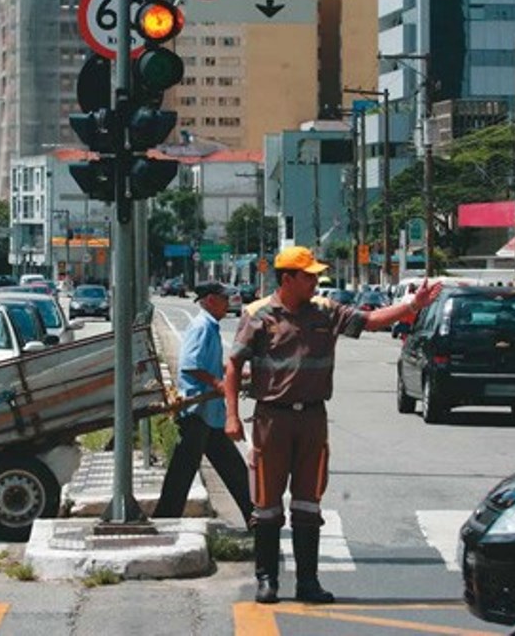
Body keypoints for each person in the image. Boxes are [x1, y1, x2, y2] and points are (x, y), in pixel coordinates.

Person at [224, 246, 442, 605]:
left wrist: (412, 306)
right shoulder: (257, 314)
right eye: (308, 276)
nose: (315, 281)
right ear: (287, 279)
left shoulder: (325, 310)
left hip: (312, 418)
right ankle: (267, 579)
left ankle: (308, 583)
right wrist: (232, 415)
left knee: (308, 504)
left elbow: (370, 321)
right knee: (266, 505)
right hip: (272, 419)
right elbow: (233, 366)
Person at [153, 282, 253, 525]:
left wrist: (235, 374)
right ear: (210, 300)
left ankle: (255, 517)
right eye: (224, 298)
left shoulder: (210, 326)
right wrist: (219, 384)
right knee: (184, 471)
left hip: (209, 414)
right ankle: (165, 518)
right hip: (196, 412)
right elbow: (190, 365)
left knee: (232, 468)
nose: (228, 303)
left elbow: (207, 364)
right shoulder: (202, 326)